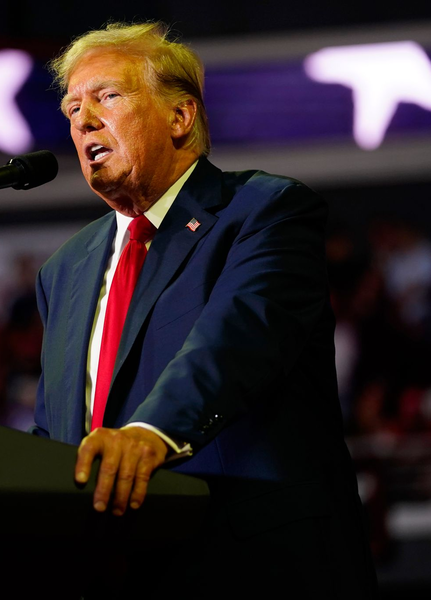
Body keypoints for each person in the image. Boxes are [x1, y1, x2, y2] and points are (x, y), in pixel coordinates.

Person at [32, 22, 376, 596]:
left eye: (107, 96)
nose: (83, 120)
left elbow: (236, 342)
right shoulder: (63, 270)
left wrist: (149, 433)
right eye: (72, 108)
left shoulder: (265, 212)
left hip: (253, 568)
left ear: (180, 116)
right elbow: (55, 430)